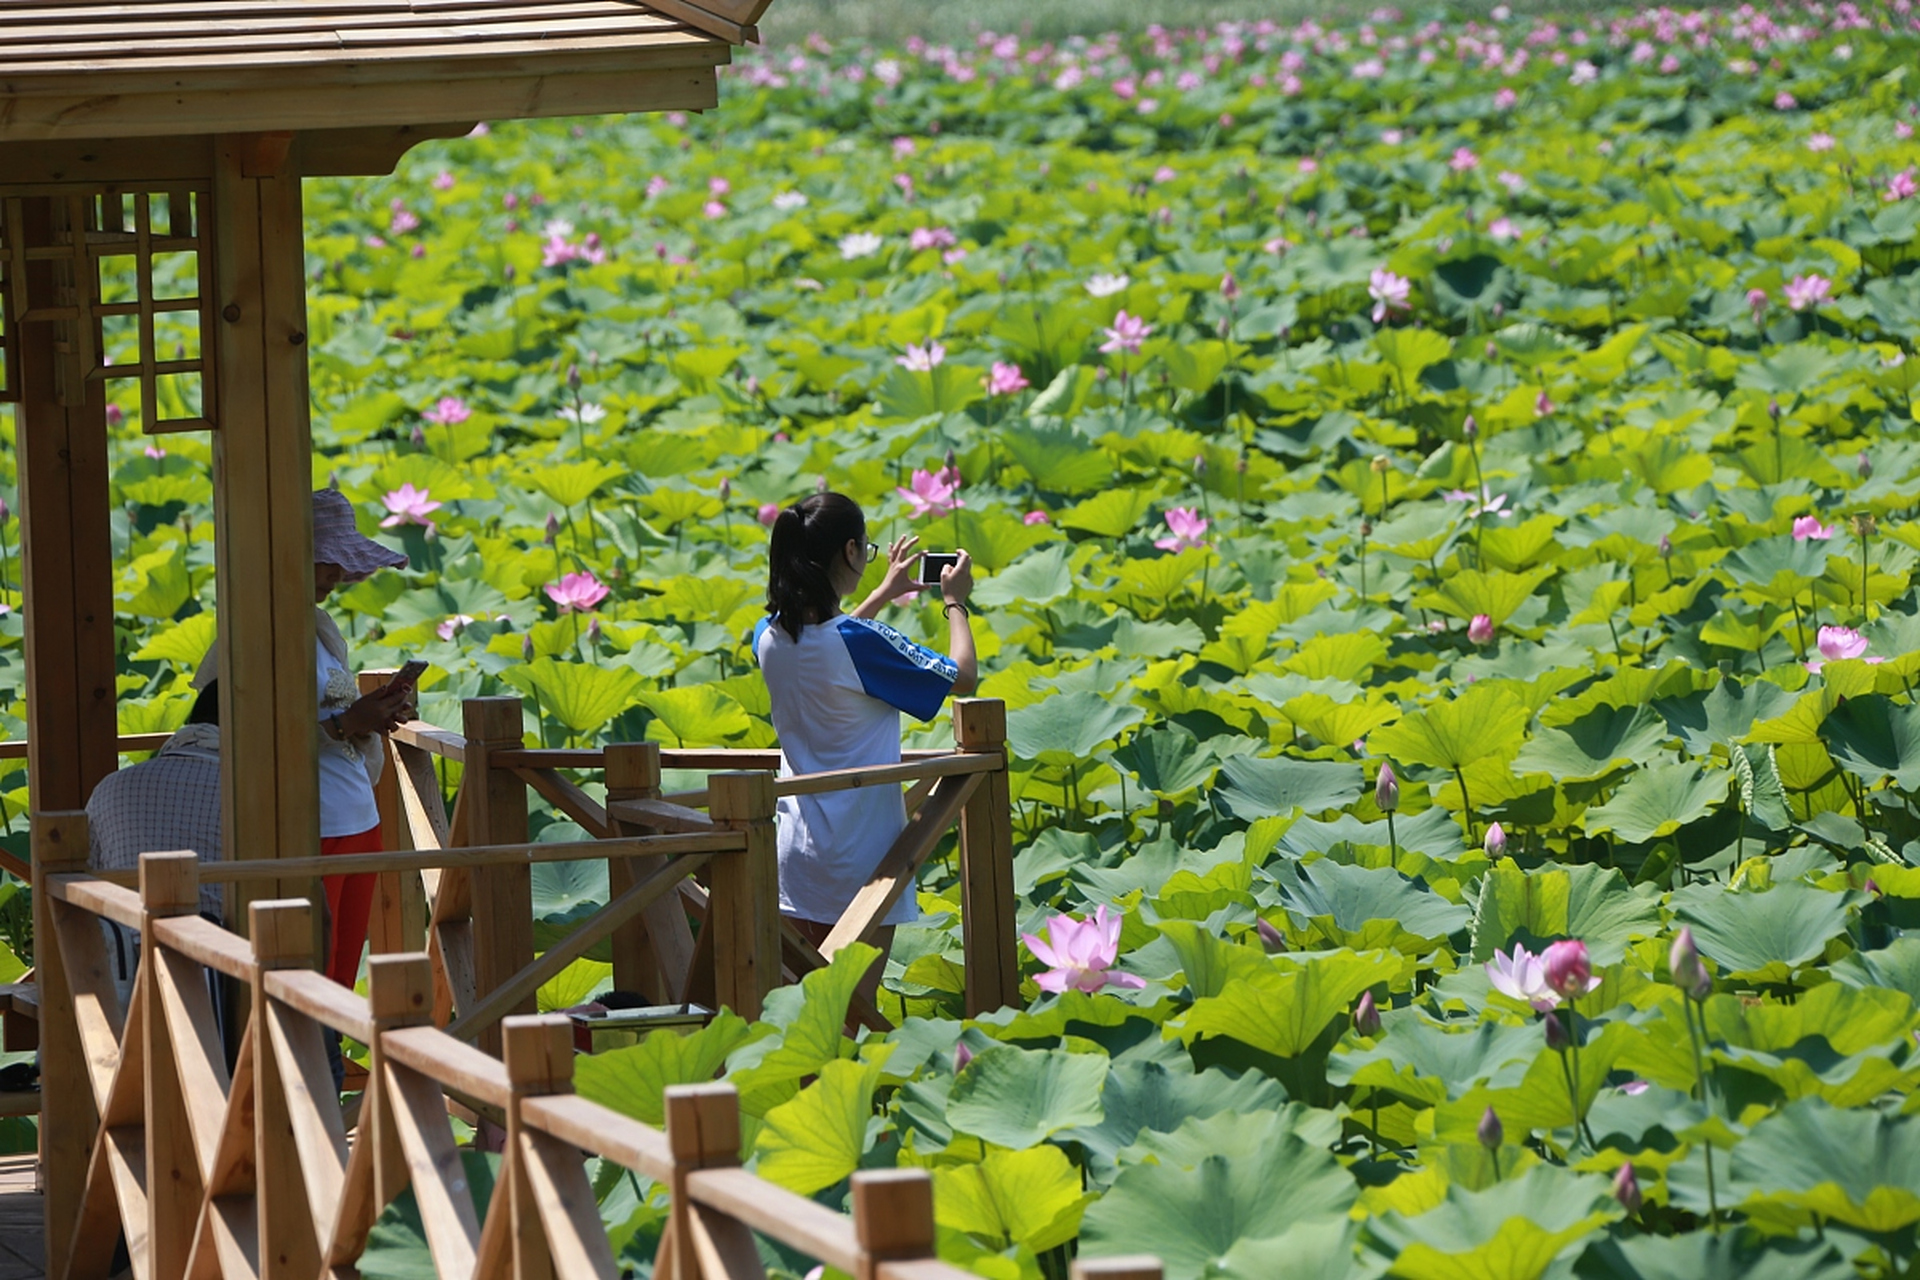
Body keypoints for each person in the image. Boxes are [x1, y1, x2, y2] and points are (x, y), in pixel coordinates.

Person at [753, 492, 977, 1008]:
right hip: (863, 858)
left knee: (805, 1014)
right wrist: (955, 602)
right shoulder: (861, 641)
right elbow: (963, 677)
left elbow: (827, 644)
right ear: (850, 550)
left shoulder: (767, 636)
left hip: (796, 851)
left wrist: (879, 592)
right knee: (851, 1014)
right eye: (868, 550)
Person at [192, 487, 413, 990]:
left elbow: (334, 717)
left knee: (341, 976)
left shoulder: (317, 629)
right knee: (311, 976)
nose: (335, 574)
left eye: (339, 562)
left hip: (359, 815)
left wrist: (373, 716)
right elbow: (248, 741)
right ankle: (313, 1070)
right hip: (312, 824)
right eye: (325, 561)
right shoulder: (256, 633)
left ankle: (328, 1066)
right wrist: (345, 725)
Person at [86, 681, 224, 1011]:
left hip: (122, 983)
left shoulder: (111, 787)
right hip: (223, 986)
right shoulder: (257, 794)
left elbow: (83, 888)